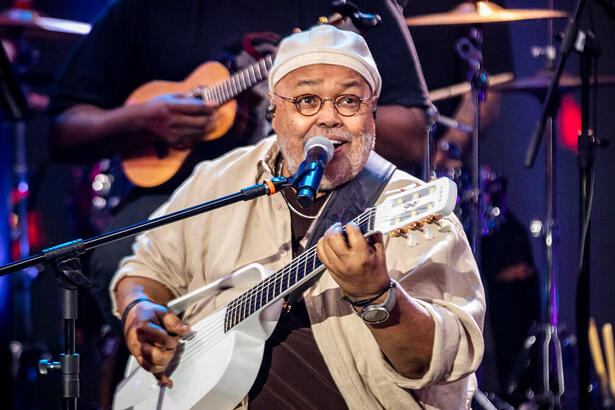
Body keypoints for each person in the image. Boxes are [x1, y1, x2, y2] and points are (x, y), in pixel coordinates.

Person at [111, 25, 485, 409]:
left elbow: (437, 362)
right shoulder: (220, 179)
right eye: (307, 100)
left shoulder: (409, 208)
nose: (328, 118)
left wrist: (376, 296)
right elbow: (146, 268)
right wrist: (139, 310)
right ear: (274, 111)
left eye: (349, 101)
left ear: (372, 110)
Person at [47, 0, 430, 339]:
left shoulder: (349, 6)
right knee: (118, 256)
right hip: (179, 197)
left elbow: (414, 131)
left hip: (327, 190)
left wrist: (329, 108)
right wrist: (143, 122)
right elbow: (64, 129)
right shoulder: (147, 9)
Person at [403, 1, 540, 399]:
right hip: (381, 161)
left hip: (439, 165)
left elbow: (487, 94)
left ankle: (515, 393)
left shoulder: (476, 12)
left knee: (507, 242)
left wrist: (449, 145)